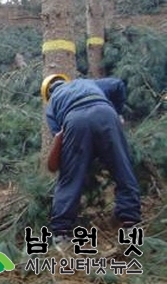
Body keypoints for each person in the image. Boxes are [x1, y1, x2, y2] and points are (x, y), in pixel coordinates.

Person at [41, 74, 142, 248]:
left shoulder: (51, 106)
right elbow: (118, 83)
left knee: (69, 178)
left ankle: (61, 233)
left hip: (74, 120)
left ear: (48, 95)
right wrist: (117, 113)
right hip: (105, 112)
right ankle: (130, 223)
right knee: (122, 166)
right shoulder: (87, 82)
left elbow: (60, 138)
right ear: (65, 80)